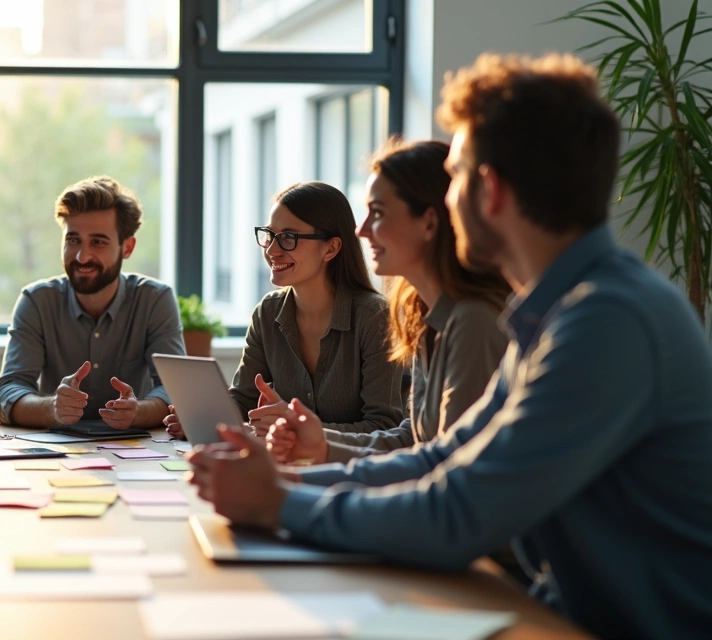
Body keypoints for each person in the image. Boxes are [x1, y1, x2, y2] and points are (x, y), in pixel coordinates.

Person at [187, 54, 712, 639]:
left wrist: (278, 504)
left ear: (489, 190)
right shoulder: (555, 315)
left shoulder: (608, 321)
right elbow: (442, 457)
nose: (447, 195)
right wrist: (281, 482)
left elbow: (459, 512)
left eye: (456, 174)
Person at [268, 140, 510, 464]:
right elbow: (413, 440)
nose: (361, 229)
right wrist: (318, 444)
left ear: (428, 222)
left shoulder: (473, 322)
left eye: (377, 213)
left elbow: (446, 470)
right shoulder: (427, 319)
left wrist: (291, 491)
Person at [166, 181, 403, 441]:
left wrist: (295, 431)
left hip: (352, 473)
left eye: (289, 238)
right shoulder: (267, 313)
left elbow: (384, 427)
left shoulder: (375, 317)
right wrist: (206, 418)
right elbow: (243, 400)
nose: (271, 250)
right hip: (285, 465)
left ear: (331, 248)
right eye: (270, 235)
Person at [0, 176, 185, 429]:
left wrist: (137, 412)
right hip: (58, 456)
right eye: (73, 240)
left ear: (127, 247)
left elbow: (176, 390)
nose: (82, 256)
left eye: (98, 242)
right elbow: (8, 392)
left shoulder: (154, 300)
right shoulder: (37, 301)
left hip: (136, 453)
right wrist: (52, 408)